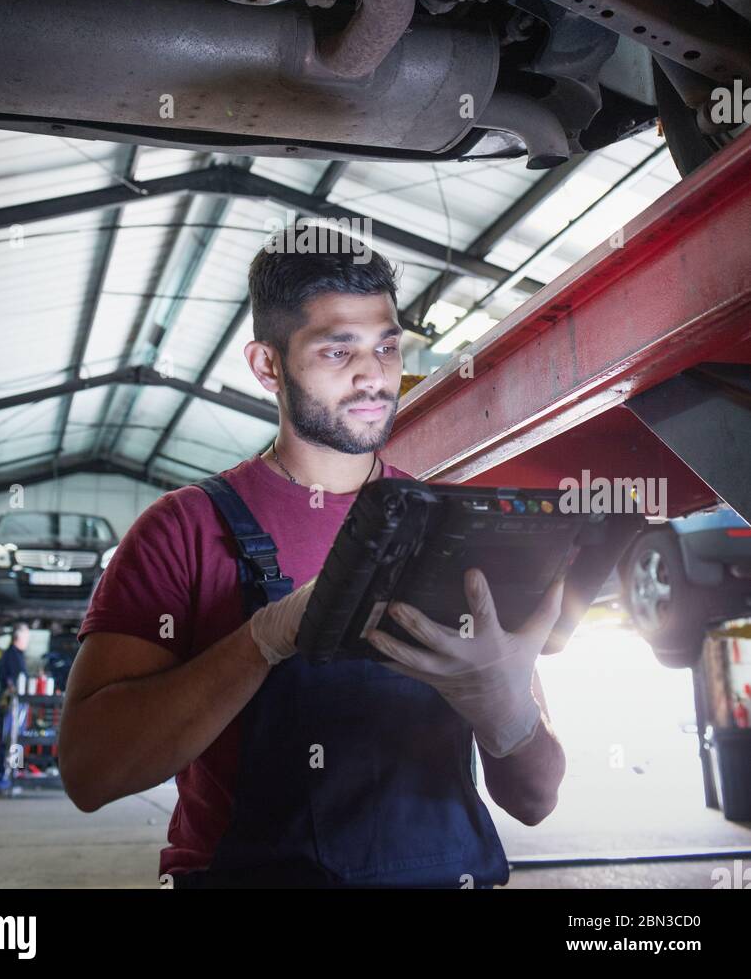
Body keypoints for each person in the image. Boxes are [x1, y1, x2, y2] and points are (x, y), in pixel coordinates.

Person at [60, 233, 567, 888]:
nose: (374, 375)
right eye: (338, 350)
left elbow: (536, 801)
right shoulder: (184, 530)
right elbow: (91, 772)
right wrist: (261, 641)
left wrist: (508, 715)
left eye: (387, 346)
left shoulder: (460, 528)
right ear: (268, 366)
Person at [0, 622, 29, 795]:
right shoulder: (12, 655)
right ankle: (5, 777)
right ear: (19, 636)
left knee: (16, 741)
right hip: (11, 705)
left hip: (16, 705)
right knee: (11, 741)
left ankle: (10, 775)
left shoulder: (16, 654)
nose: (28, 640)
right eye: (27, 636)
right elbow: (11, 682)